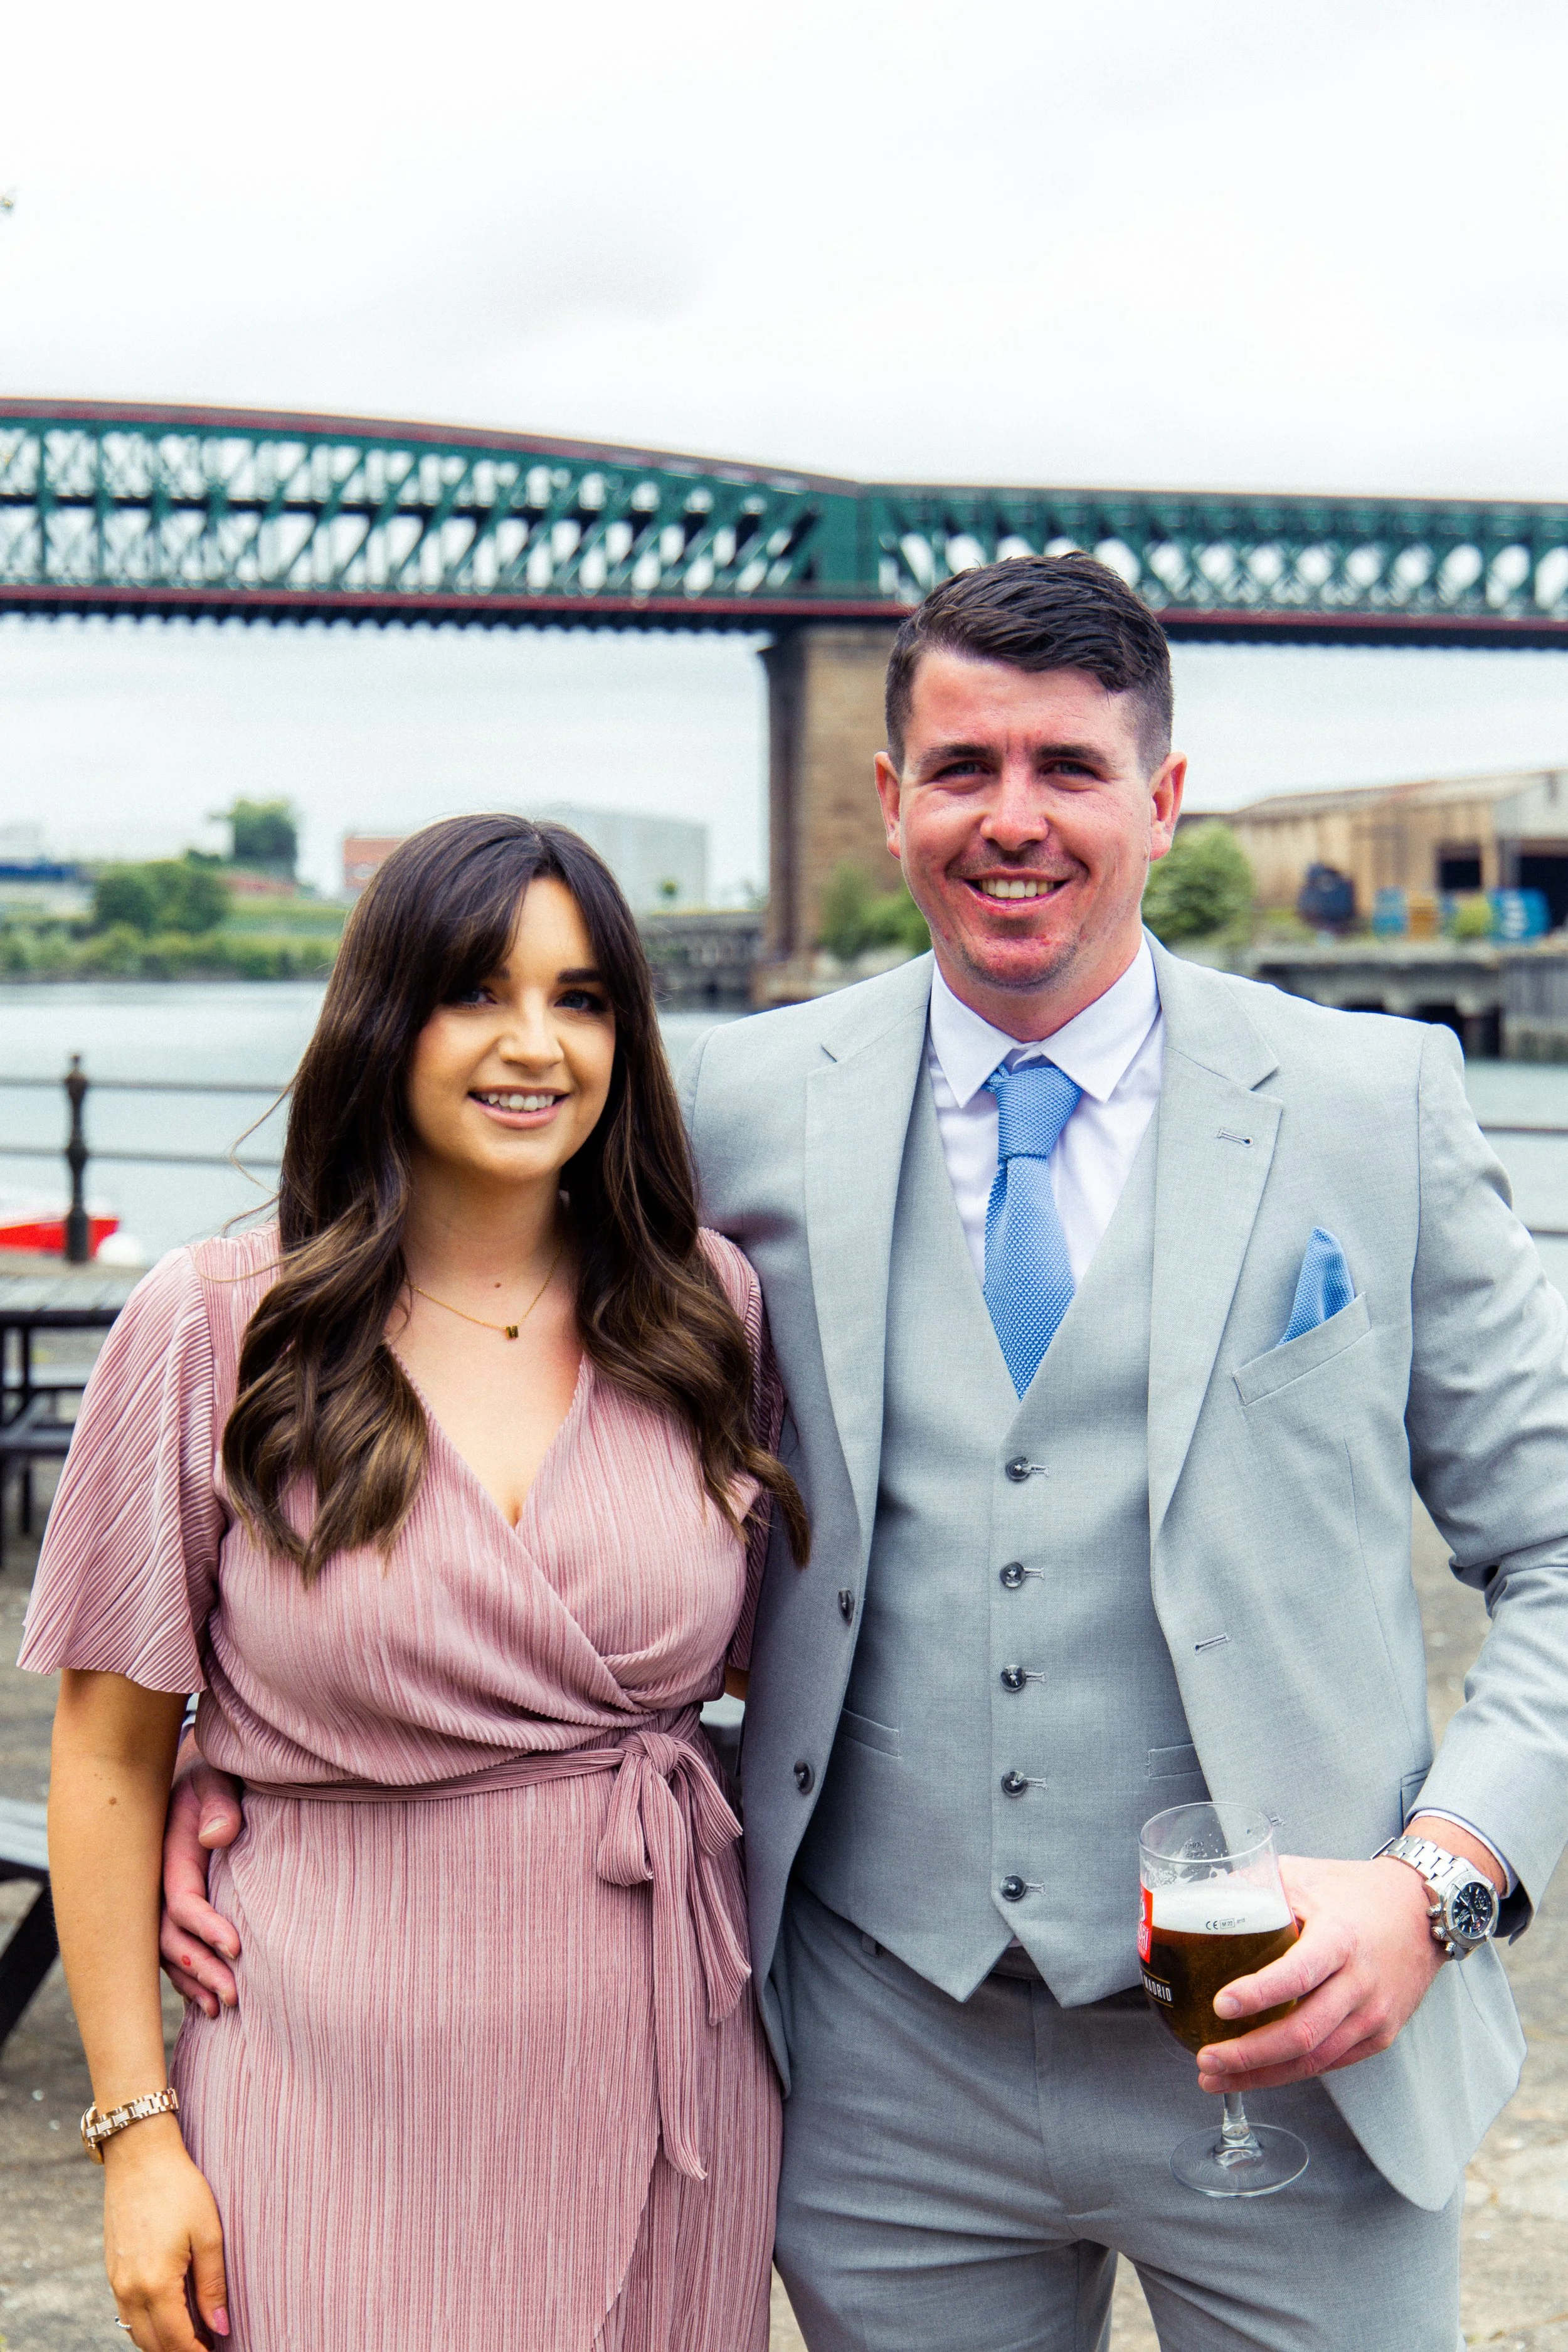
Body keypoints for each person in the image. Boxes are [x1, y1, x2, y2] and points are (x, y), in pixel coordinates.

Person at [167, 556, 1568, 2350]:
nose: (1014, 818)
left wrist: (1433, 1880)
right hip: (880, 2067)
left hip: (1296, 2047)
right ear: (891, 798)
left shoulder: (1374, 1104)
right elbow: (455, 1334)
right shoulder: (726, 1109)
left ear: (1162, 798)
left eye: (1067, 768)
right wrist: (259, 1743)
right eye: (964, 768)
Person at [23, 815, 803, 2352]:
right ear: (386, 1018)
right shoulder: (215, 1325)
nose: (536, 1046)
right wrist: (135, 2136)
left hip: (665, 2085)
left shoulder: (708, 1306)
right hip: (325, 2081)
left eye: (581, 1000)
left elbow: (779, 1693)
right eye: (477, 993)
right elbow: (107, 1752)